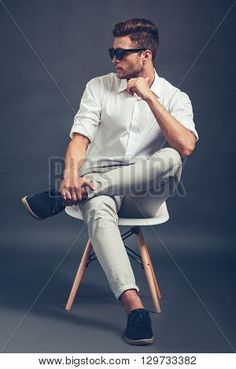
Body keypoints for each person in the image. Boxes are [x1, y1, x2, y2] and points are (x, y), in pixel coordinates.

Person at [21, 18, 198, 345]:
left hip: (144, 191)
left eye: (120, 53)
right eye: (111, 52)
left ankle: (80, 192)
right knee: (99, 211)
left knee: (172, 157)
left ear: (145, 55)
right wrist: (70, 175)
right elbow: (80, 138)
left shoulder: (175, 97)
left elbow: (186, 144)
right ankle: (134, 308)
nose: (113, 59)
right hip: (101, 183)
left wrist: (150, 98)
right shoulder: (98, 86)